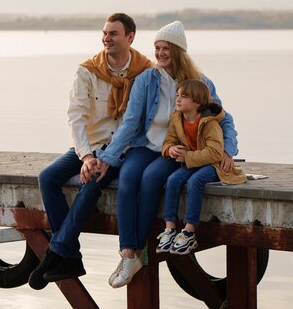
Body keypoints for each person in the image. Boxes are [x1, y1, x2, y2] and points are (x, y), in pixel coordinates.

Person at [93, 20, 239, 288]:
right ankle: (128, 253)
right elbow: (129, 124)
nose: (159, 53)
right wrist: (108, 158)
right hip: (146, 146)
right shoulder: (147, 79)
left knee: (150, 180)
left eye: (165, 48)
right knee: (127, 180)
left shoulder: (199, 83)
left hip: (176, 151)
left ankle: (136, 250)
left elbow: (224, 119)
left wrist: (228, 150)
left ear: (178, 50)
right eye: (157, 47)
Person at [28, 13, 152, 290]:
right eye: (105, 33)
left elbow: (139, 122)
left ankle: (56, 253)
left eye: (113, 34)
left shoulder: (146, 72)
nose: (106, 38)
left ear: (130, 37)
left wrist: (107, 157)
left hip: (125, 148)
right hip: (91, 145)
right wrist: (86, 156)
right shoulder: (87, 70)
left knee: (92, 184)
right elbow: (76, 116)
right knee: (47, 177)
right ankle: (69, 255)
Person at [155, 79, 246, 255]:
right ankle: (170, 228)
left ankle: (189, 230)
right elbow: (169, 141)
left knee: (195, 181)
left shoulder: (209, 123)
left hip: (213, 165)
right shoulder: (177, 119)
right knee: (173, 180)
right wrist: (170, 149)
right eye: (178, 95)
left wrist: (187, 156)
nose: (178, 100)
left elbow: (215, 153)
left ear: (197, 102)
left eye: (184, 96)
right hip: (192, 163)